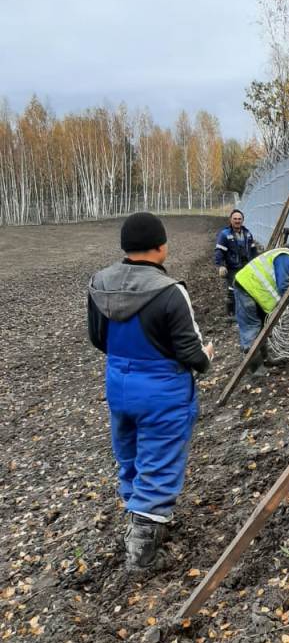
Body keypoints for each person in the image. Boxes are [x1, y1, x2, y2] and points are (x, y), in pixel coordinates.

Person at [87, 212, 213, 570]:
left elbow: (98, 338)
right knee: (159, 462)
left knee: (130, 458)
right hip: (162, 392)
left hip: (119, 385)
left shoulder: (99, 284)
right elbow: (190, 351)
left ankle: (138, 522)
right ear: (160, 247)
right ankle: (141, 554)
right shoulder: (171, 292)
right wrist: (205, 359)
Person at [232, 246, 289, 374]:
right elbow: (284, 285)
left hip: (255, 290)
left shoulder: (285, 257)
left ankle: (265, 359)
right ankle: (255, 368)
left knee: (262, 326)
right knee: (251, 327)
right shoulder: (288, 258)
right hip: (247, 287)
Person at [214, 209, 258, 316]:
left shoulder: (247, 234)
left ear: (242, 220)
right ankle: (231, 313)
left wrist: (256, 263)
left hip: (246, 266)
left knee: (249, 288)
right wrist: (220, 266)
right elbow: (219, 251)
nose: (237, 221)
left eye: (239, 219)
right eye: (235, 219)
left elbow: (253, 250)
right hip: (233, 267)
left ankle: (247, 310)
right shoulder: (224, 234)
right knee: (232, 289)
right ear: (230, 220)